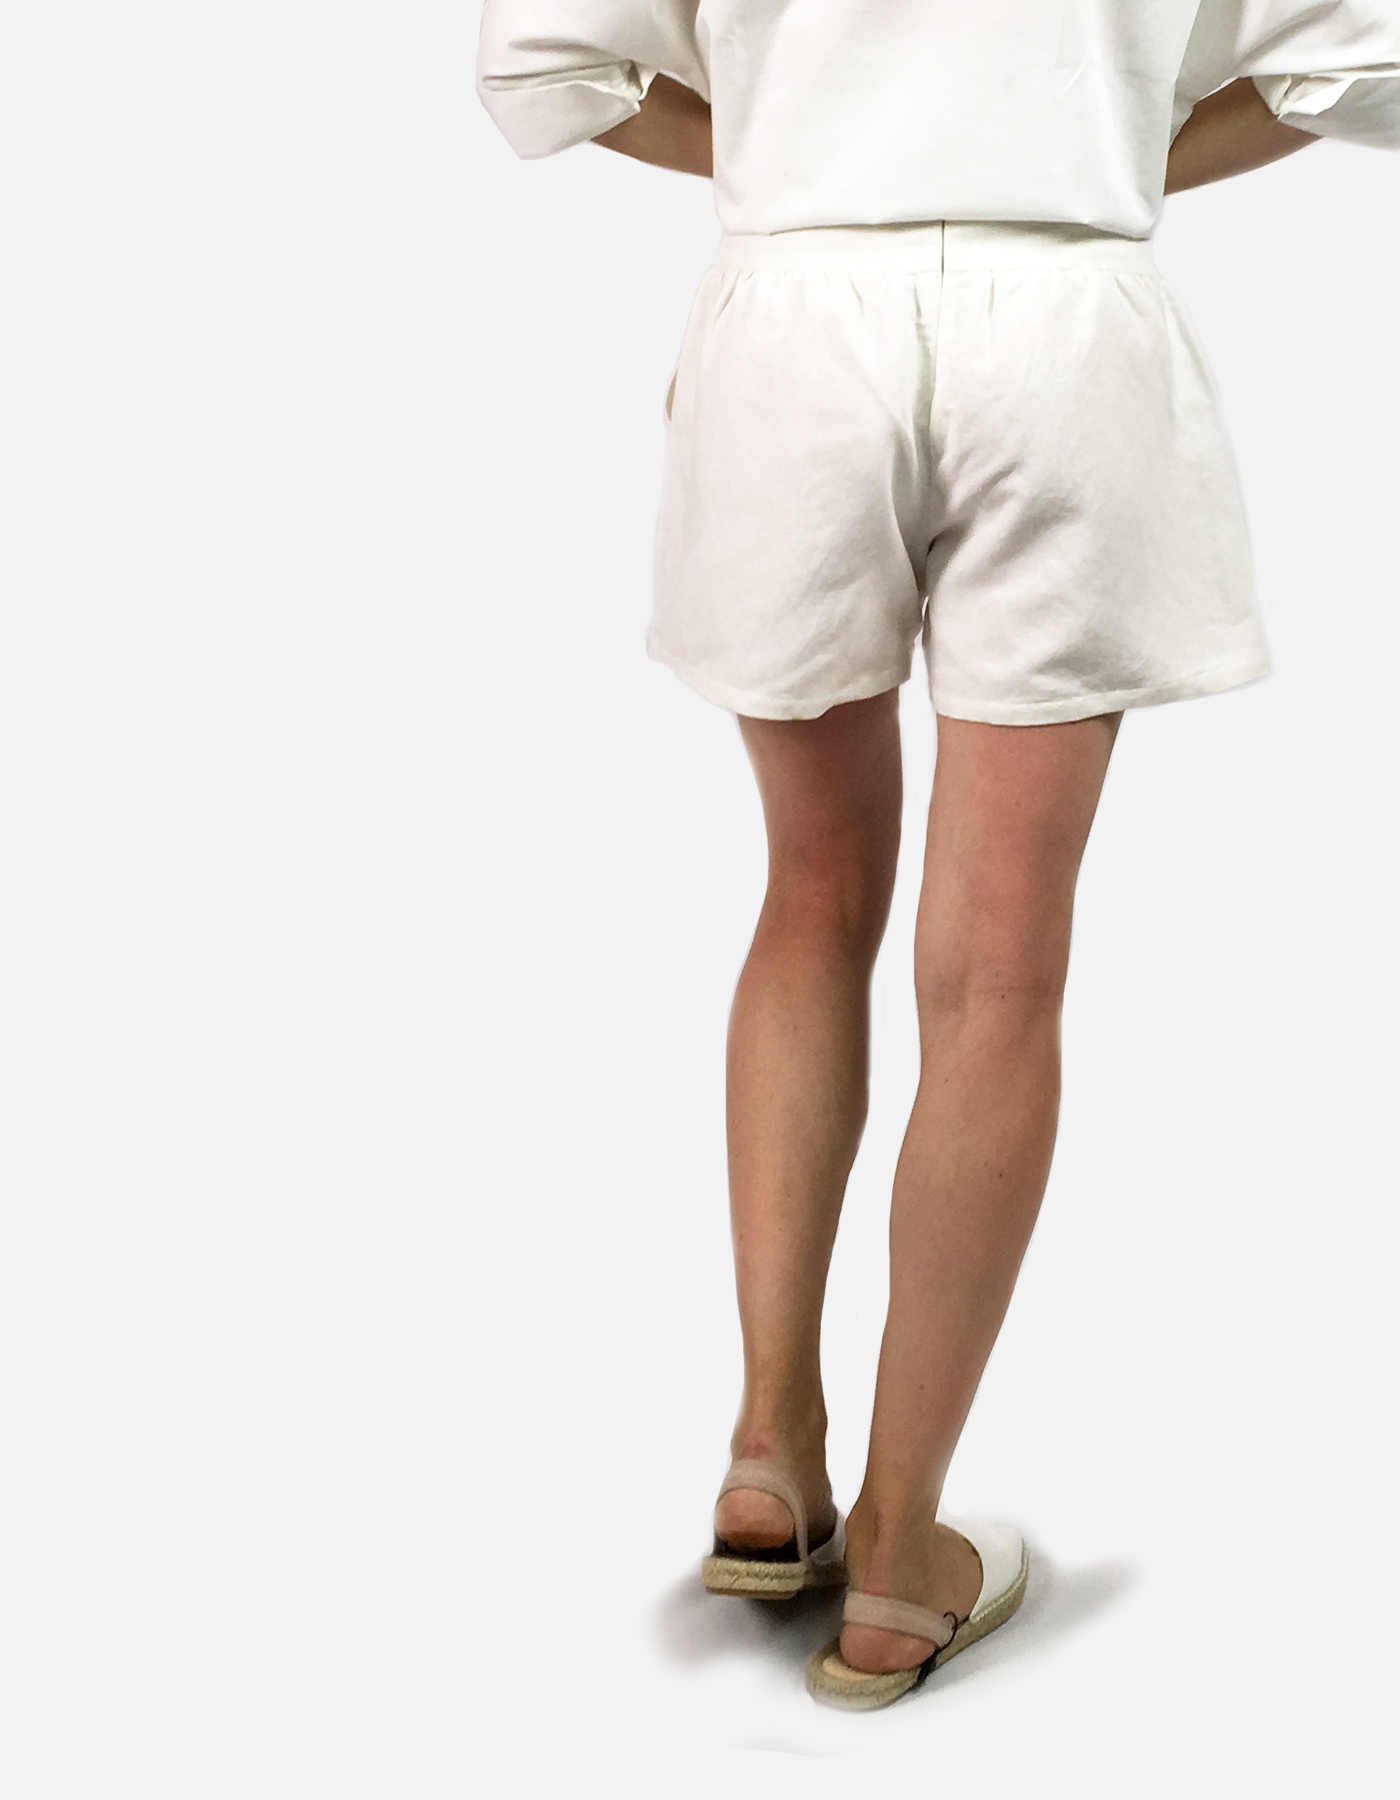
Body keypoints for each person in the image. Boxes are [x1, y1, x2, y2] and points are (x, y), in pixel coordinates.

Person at [477, 2, 1400, 1709]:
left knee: (811, 894)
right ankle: (903, 1554)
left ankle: (772, 1449)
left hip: (796, 322)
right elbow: (1362, 65)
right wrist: (1101, 150)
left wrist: (799, 153)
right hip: (1067, 330)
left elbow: (547, 69)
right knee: (999, 970)